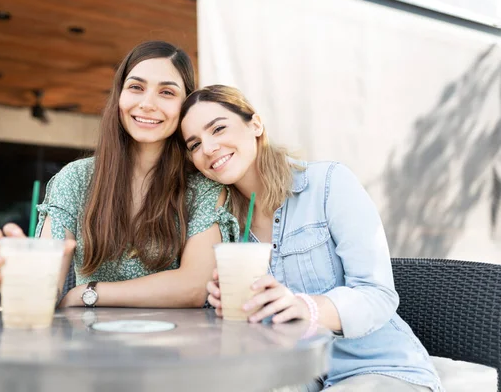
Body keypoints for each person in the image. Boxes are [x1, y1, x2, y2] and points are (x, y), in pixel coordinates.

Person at [178, 85, 443, 392]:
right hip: (293, 373)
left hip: (379, 368)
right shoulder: (223, 224)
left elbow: (378, 294)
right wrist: (225, 305)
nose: (208, 148)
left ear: (256, 124)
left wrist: (306, 307)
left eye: (219, 128)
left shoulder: (329, 184)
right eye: (194, 144)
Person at [0, 41, 236, 308]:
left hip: (174, 346)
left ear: (184, 106)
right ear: (119, 97)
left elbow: (193, 287)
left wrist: (88, 293)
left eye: (166, 92)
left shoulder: (204, 188)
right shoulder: (76, 179)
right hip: (90, 347)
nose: (147, 104)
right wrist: (24, 281)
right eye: (136, 87)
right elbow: (45, 289)